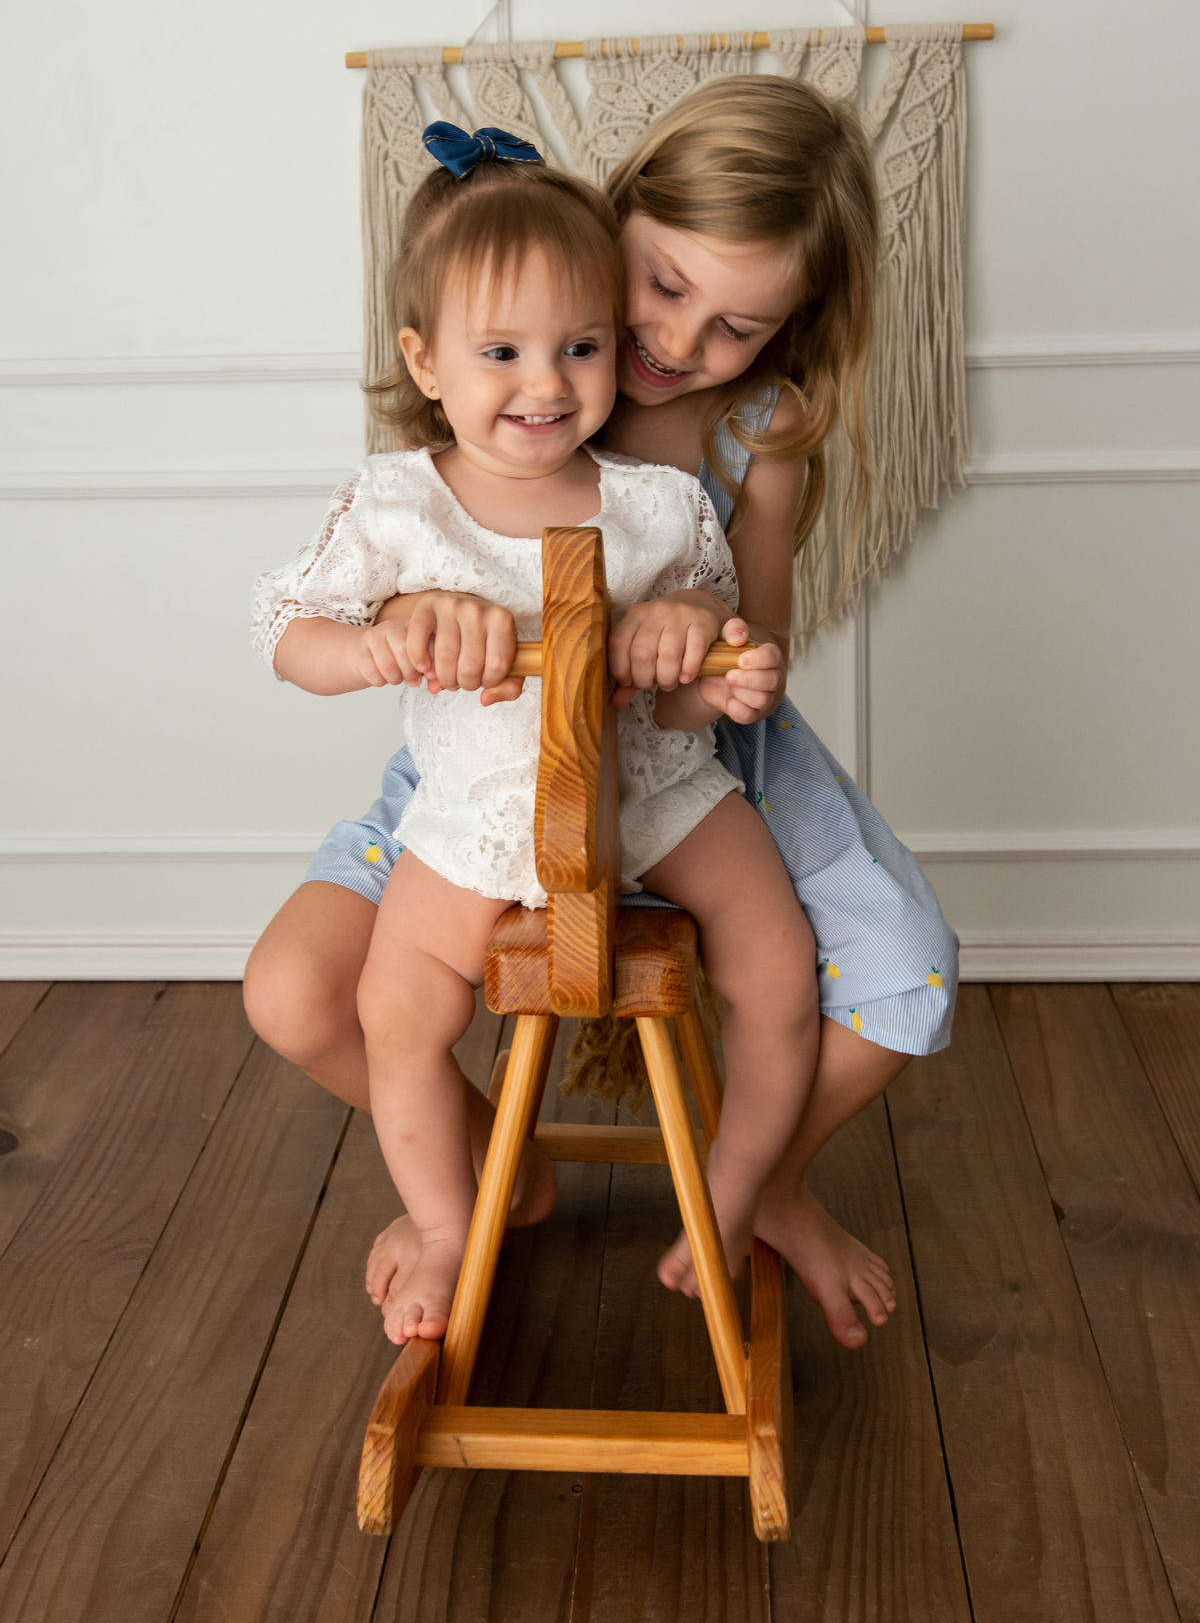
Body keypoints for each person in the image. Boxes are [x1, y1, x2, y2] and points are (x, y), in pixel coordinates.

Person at [246, 77, 956, 1350]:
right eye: (664, 285)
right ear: (612, 221)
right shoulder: (490, 375)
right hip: (481, 763)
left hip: (684, 746)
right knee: (318, 994)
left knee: (871, 969)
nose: (675, 343)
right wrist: (395, 632)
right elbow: (320, 614)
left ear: (791, 326)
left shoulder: (728, 451)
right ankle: (477, 1183)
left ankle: (759, 1182)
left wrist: (699, 644)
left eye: (739, 323)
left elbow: (748, 641)